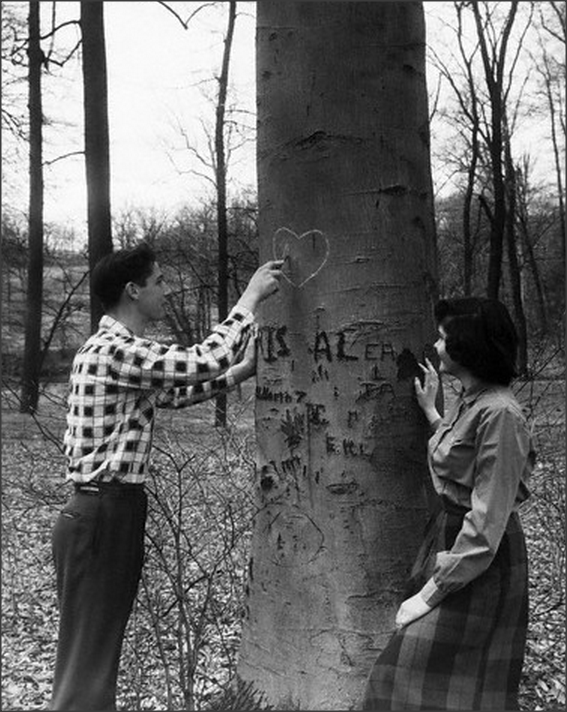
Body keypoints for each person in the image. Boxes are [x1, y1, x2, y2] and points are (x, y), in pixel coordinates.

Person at [50, 242, 283, 711]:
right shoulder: (114, 350)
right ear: (133, 291)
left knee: (92, 659)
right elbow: (202, 360)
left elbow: (171, 394)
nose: (167, 291)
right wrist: (249, 299)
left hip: (104, 512)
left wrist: (239, 373)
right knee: (87, 668)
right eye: (159, 281)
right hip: (102, 514)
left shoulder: (112, 352)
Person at [362, 297, 534, 711]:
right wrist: (431, 412)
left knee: (407, 676)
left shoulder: (502, 414)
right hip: (453, 542)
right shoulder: (476, 402)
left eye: (443, 339)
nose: (436, 347)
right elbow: (464, 462)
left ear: (467, 348)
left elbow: (488, 515)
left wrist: (430, 594)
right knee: (435, 685)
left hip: (480, 559)